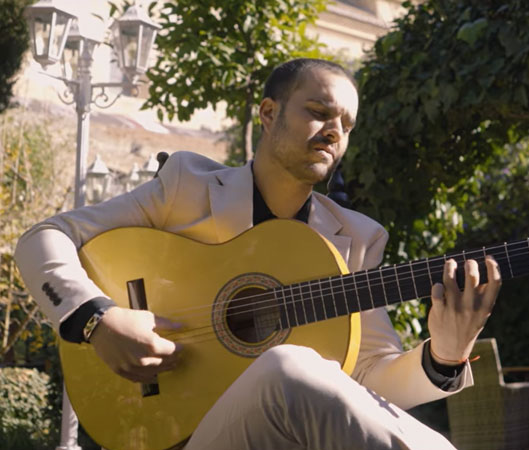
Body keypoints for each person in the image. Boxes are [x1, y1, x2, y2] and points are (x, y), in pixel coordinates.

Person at [14, 58, 501, 449]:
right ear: (268, 114)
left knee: (292, 369)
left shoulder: (355, 238)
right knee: (287, 366)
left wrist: (445, 355)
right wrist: (98, 319)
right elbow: (45, 237)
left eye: (347, 124)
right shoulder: (187, 186)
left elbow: (369, 383)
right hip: (178, 437)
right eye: (318, 111)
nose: (335, 131)